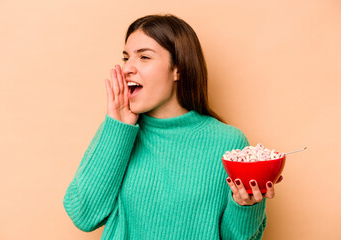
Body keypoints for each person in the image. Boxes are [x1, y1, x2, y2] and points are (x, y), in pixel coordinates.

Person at [63, 14, 280, 240]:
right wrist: (117, 128)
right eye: (126, 58)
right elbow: (83, 216)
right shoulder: (119, 133)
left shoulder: (228, 143)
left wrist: (245, 205)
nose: (127, 68)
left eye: (144, 57)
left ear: (178, 69)